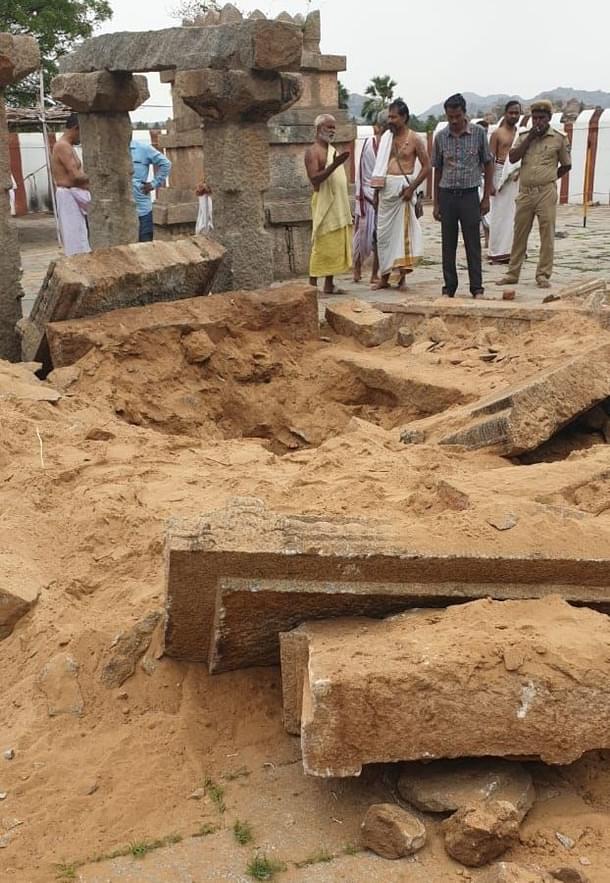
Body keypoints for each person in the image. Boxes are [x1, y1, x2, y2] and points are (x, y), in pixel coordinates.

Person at [496, 99, 571, 288]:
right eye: (535, 118)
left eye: (542, 118)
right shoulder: (523, 136)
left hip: (546, 191)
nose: (538, 122)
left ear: (549, 118)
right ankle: (513, 273)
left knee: (547, 234)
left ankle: (543, 275)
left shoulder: (558, 138)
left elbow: (566, 164)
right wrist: (529, 138)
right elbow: (512, 157)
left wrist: (552, 177)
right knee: (519, 233)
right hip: (525, 192)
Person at [432, 93, 493, 297]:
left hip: (469, 196)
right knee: (448, 244)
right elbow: (437, 169)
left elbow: (488, 162)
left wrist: (486, 198)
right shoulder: (440, 137)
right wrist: (437, 202)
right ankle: (449, 286)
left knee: (472, 243)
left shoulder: (478, 134)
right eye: (450, 117)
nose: (454, 121)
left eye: (458, 116)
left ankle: (476, 287)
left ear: (464, 113)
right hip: (447, 195)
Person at [370, 98, 429, 291]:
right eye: (389, 117)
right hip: (386, 190)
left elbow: (427, 166)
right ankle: (384, 278)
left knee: (401, 236)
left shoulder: (415, 139)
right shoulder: (386, 138)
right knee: (384, 235)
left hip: (403, 190)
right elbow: (381, 166)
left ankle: (401, 278)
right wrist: (377, 192)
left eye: (394, 117)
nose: (390, 120)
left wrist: (412, 188)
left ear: (404, 117)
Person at [305, 114, 352, 295]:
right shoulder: (313, 151)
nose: (332, 130)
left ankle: (329, 284)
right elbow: (314, 177)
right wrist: (334, 165)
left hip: (337, 205)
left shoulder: (332, 150)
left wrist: (336, 162)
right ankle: (311, 285)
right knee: (322, 245)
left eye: (334, 127)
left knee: (334, 245)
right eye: (328, 127)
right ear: (318, 129)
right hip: (324, 204)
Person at [352, 110, 387, 284]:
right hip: (366, 197)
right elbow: (361, 172)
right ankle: (357, 269)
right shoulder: (367, 144)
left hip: (383, 197)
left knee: (379, 238)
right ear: (378, 127)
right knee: (361, 236)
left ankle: (375, 273)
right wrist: (364, 195)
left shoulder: (391, 146)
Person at [51, 113, 91, 256]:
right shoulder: (62, 146)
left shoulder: (67, 145)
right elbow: (75, 176)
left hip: (74, 193)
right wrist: (95, 181)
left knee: (80, 233)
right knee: (74, 235)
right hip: (68, 194)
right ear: (76, 128)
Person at [488, 100, 522, 264]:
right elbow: (490, 159)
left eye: (517, 113)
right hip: (500, 175)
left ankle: (513, 250)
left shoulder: (522, 134)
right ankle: (497, 251)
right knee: (500, 215)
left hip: (517, 175)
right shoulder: (497, 134)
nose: (514, 116)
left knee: (516, 215)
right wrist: (490, 184)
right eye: (511, 112)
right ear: (505, 113)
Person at [130, 138, 172, 242]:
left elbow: (166, 164)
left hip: (142, 209)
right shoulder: (111, 150)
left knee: (145, 244)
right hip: (120, 210)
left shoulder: (143, 148)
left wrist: (154, 184)